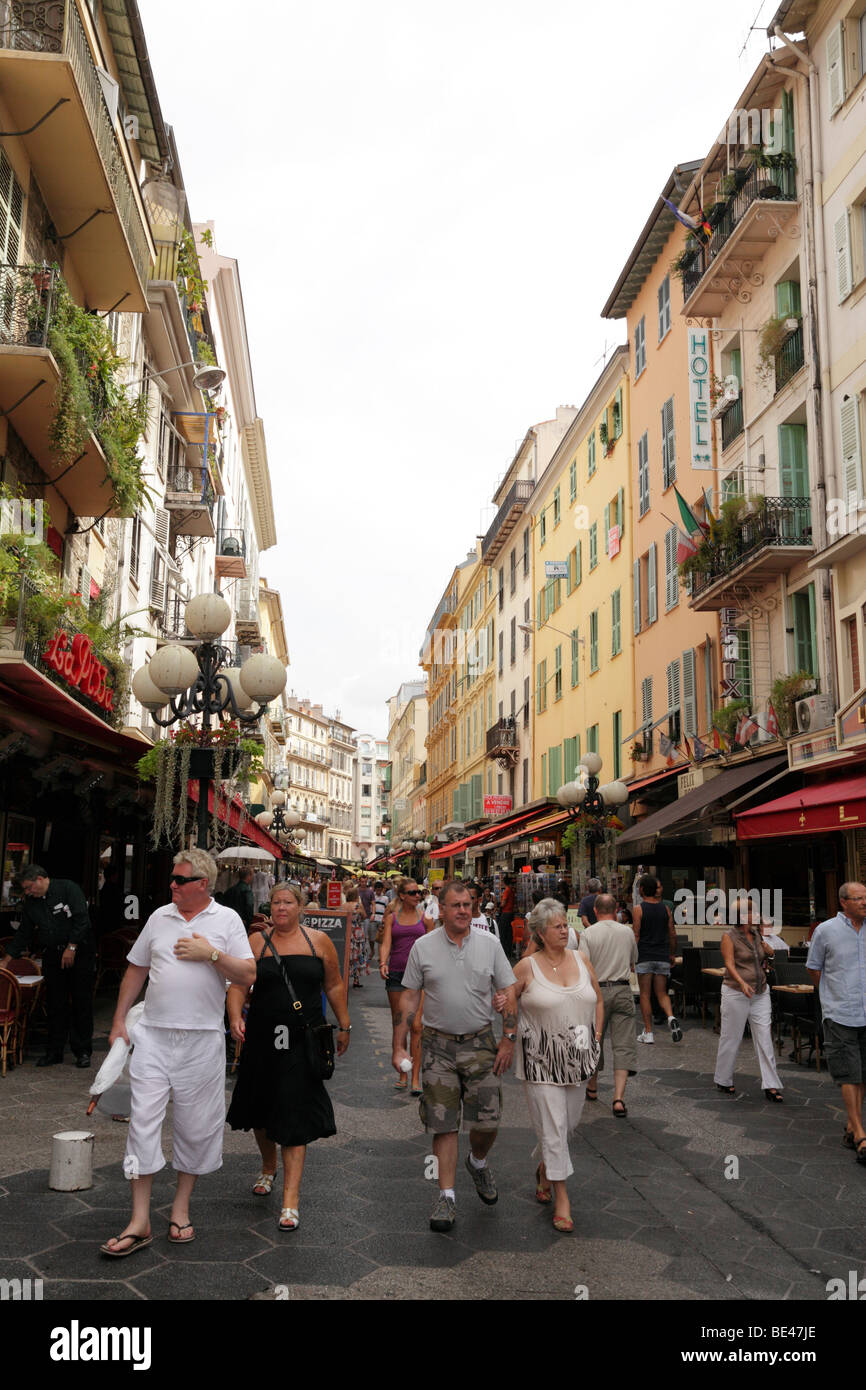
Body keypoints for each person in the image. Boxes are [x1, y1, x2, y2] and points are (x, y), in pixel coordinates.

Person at [100, 851, 256, 1257]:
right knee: (142, 1124)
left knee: (196, 1126)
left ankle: (180, 1209)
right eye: (172, 879)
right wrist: (119, 1020)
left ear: (203, 883)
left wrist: (213, 956)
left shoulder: (226, 921)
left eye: (179, 879)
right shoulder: (159, 917)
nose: (172, 884)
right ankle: (139, 1220)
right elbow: (136, 969)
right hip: (152, 1036)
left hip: (202, 1040)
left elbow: (249, 974)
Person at [392, 879, 517, 1233]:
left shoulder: (490, 944)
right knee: (443, 1122)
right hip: (437, 1046)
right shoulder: (423, 947)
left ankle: (477, 1162)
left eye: (468, 904)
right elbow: (410, 997)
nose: (464, 910)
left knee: (488, 1121)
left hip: (481, 1043)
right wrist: (398, 1044)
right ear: (441, 909)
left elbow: (507, 990)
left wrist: (508, 1038)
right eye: (456, 905)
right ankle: (446, 1196)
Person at [227, 884, 350, 1229]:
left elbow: (335, 984)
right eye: (276, 903)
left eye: (287, 902)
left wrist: (345, 1024)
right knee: (263, 1109)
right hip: (263, 1037)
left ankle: (290, 1201)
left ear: (300, 907)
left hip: (303, 1039)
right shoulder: (255, 943)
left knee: (295, 1110)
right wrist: (236, 1016)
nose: (281, 908)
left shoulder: (318, 942)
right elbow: (238, 985)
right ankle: (269, 1168)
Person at [497, 897, 603, 1232]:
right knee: (555, 1126)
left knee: (567, 1124)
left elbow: (598, 999)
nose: (565, 930)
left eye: (565, 924)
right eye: (557, 926)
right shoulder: (527, 966)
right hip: (540, 1060)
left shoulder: (581, 958)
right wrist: (504, 1007)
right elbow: (506, 998)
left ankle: (546, 1167)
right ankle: (562, 1196)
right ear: (541, 933)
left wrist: (597, 1037)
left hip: (580, 1057)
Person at [4, 864, 96, 1068]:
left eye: (29, 888)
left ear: (39, 879)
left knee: (81, 1001)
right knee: (55, 1003)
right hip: (53, 954)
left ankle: (82, 1050)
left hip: (79, 952)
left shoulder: (68, 889)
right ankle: (54, 1051)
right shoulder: (31, 903)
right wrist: (7, 959)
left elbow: (82, 920)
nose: (28, 892)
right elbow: (24, 933)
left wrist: (71, 946)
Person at [807, 882, 866, 1161]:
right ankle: (860, 1134)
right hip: (840, 1012)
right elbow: (814, 968)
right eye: (859, 898)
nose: (865, 902)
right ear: (844, 902)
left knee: (862, 1073)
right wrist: (831, 998)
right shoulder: (826, 931)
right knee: (848, 1074)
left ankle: (851, 1125)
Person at [713, 897, 782, 1101]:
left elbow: (763, 959)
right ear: (742, 915)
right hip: (736, 992)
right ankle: (723, 1079)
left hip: (760, 991)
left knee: (764, 1036)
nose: (757, 915)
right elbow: (729, 963)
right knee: (731, 1036)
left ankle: (771, 1085)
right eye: (752, 912)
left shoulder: (756, 933)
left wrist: (769, 954)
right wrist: (741, 982)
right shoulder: (729, 937)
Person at [579, 893, 638, 1114]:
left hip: (597, 992)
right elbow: (634, 960)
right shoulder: (627, 932)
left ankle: (592, 1087)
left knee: (596, 1039)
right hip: (623, 989)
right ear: (616, 910)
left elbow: (584, 967)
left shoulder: (588, 934)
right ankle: (619, 1098)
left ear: (595, 911)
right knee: (623, 1044)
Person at [380, 878, 435, 1093]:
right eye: (412, 892)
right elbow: (386, 943)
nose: (417, 896)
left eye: (419, 892)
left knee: (417, 1027)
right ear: (402, 895)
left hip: (419, 977)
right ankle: (402, 1072)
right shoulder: (392, 919)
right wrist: (383, 962)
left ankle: (415, 1078)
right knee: (399, 1025)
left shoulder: (426, 919)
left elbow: (433, 946)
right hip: (396, 974)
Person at [632, 873, 682, 1044]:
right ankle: (670, 1017)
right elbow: (673, 934)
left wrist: (633, 957)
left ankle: (648, 1032)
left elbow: (636, 935)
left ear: (643, 890)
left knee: (645, 995)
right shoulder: (665, 909)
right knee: (662, 993)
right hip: (662, 956)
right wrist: (672, 954)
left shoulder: (638, 909)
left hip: (645, 955)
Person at [345, 883, 368, 988]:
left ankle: (344, 977)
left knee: (347, 955)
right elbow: (364, 916)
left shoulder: (343, 906)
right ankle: (356, 979)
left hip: (346, 931)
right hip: (357, 933)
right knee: (357, 955)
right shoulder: (358, 905)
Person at [498, 876, 516, 960]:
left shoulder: (507, 890)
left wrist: (499, 906)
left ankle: (504, 951)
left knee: (502, 932)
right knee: (509, 933)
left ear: (504, 882)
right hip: (511, 913)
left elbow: (503, 903)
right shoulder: (511, 890)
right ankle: (509, 951)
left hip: (505, 913)